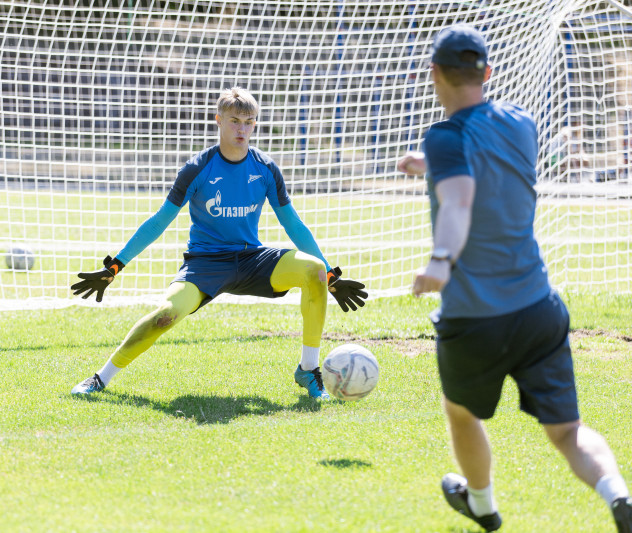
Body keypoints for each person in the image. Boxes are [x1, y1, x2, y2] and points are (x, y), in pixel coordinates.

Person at [397, 24, 631, 532]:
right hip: (537, 309)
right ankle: (617, 493)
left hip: (474, 319)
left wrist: (440, 261)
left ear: (434, 73)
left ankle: (482, 504)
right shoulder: (521, 122)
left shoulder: (445, 136)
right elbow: (485, 161)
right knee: (568, 433)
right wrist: (429, 165)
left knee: (461, 413)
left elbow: (460, 200)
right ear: (488, 73)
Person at [71, 86, 368, 401]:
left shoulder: (266, 169)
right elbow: (159, 221)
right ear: (219, 120)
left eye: (248, 122)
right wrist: (116, 265)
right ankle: (100, 378)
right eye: (235, 121)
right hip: (205, 264)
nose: (242, 129)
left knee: (314, 270)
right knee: (165, 316)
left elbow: (293, 224)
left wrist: (329, 274)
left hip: (252, 259)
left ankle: (308, 370)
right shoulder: (197, 168)